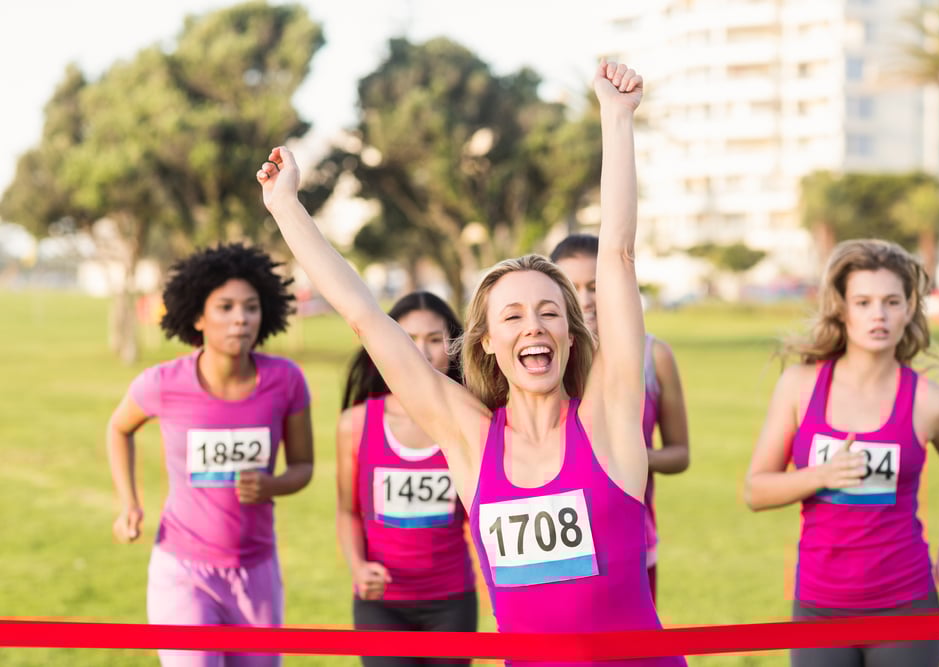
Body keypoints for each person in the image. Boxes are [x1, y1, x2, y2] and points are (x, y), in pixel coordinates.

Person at [257, 60, 685, 667]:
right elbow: (366, 319)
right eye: (512, 316)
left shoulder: (610, 420)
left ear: (571, 334)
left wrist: (617, 118)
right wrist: (286, 208)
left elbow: (617, 256)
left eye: (549, 312)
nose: (533, 326)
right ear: (485, 342)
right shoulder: (471, 439)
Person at [744, 239, 939, 667]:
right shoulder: (799, 388)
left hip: (906, 606)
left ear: (910, 308)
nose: (878, 315)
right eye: (863, 302)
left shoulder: (934, 404)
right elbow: (755, 492)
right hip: (819, 608)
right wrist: (821, 475)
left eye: (892, 302)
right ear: (842, 309)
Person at [106, 243, 314, 667]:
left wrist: (272, 485)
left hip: (257, 571)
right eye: (225, 307)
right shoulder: (163, 383)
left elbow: (303, 467)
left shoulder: (286, 380)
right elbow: (118, 428)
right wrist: (129, 504)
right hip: (183, 570)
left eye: (251, 307)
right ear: (198, 317)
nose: (241, 318)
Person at [337, 291, 477, 667]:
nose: (422, 352)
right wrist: (357, 567)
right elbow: (347, 512)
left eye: (435, 339)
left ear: (454, 347)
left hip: (452, 602)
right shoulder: (356, 424)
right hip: (381, 604)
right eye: (408, 339)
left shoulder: (471, 421)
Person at [551, 233, 689, 606]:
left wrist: (626, 459)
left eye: (595, 286)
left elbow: (679, 454)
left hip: (632, 543)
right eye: (572, 287)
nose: (585, 299)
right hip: (558, 552)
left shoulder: (653, 356)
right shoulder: (542, 362)